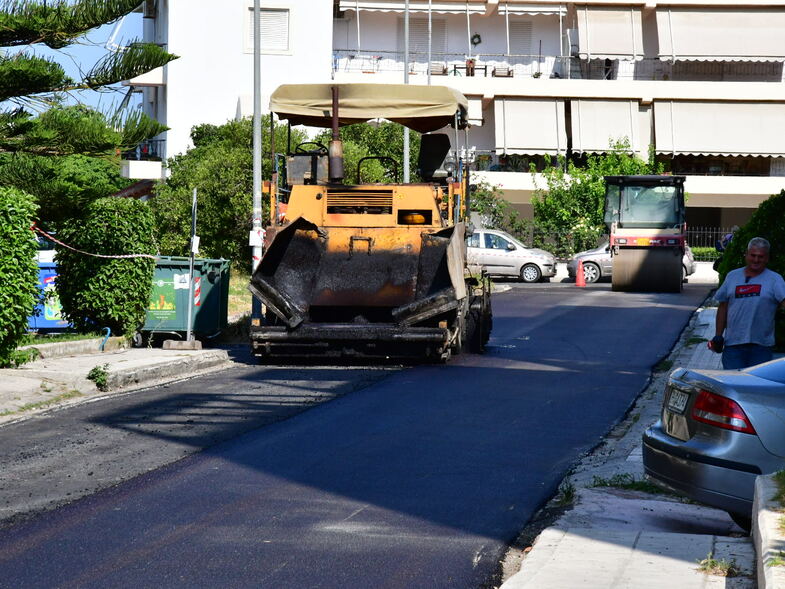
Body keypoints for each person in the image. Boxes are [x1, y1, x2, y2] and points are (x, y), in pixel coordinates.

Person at [709, 237, 785, 369]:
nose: (756, 260)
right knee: (733, 386)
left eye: (760, 256)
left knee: (756, 388)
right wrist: (718, 336)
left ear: (767, 258)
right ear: (746, 254)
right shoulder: (732, 276)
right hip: (733, 346)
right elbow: (723, 307)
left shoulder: (775, 280)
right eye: (753, 255)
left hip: (761, 347)